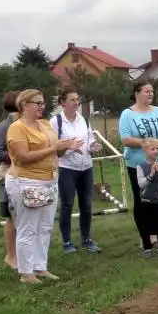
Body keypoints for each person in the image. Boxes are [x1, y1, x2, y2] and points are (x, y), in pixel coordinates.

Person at [8, 88, 81, 282]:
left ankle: (40, 267)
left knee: (45, 226)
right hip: (26, 182)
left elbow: (56, 153)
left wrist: (66, 147)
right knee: (28, 227)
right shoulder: (17, 128)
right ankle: (26, 272)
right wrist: (53, 148)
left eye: (43, 103)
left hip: (49, 179)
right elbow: (23, 157)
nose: (42, 107)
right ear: (25, 105)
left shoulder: (45, 124)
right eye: (37, 103)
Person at [119, 82, 158, 254]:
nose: (150, 94)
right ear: (137, 93)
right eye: (146, 91)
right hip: (138, 164)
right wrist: (146, 144)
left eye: (152, 91)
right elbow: (126, 139)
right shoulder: (127, 114)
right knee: (142, 200)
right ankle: (146, 239)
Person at [52, 88, 103, 254]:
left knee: (86, 205)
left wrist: (92, 146)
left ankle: (86, 239)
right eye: (72, 99)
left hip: (86, 167)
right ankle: (67, 242)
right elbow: (53, 148)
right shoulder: (55, 122)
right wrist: (69, 147)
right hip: (67, 168)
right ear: (63, 102)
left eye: (77, 99)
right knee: (67, 205)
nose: (76, 103)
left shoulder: (84, 119)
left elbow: (89, 140)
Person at [0, 91, 20, 270]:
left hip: (27, 176)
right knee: (12, 218)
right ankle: (11, 256)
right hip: (9, 176)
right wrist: (19, 156)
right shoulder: (5, 126)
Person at [136, 143, 158, 254]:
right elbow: (141, 184)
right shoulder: (140, 166)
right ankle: (147, 248)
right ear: (145, 151)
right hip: (146, 201)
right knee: (146, 225)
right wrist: (151, 175)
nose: (156, 151)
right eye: (153, 149)